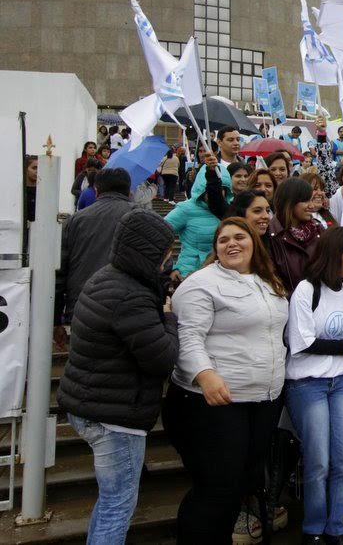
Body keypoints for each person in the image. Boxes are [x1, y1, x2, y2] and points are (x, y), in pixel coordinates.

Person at [56, 209, 179, 545]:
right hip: (114, 417)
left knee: (111, 499)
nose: (168, 259)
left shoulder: (108, 278)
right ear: (147, 253)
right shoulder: (130, 296)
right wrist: (168, 318)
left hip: (92, 403)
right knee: (118, 504)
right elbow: (163, 359)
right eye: (165, 253)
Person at [163, 217, 288, 543]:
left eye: (239, 237)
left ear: (253, 243)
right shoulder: (202, 283)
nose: (231, 244)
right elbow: (188, 337)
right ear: (215, 248)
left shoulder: (268, 280)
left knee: (240, 483)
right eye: (223, 240)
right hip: (214, 402)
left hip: (262, 400)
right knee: (217, 487)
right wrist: (205, 375)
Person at [285, 227, 343, 544]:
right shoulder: (306, 290)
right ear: (335, 255)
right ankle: (313, 528)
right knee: (318, 460)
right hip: (308, 384)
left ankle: (337, 526)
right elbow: (301, 342)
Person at [55, 168, 135, 334]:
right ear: (129, 191)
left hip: (83, 305)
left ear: (96, 190)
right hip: (129, 304)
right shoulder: (141, 216)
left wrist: (56, 320)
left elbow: (60, 270)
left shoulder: (75, 220)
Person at [164, 157, 233, 279]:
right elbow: (158, 235)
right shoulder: (186, 209)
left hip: (223, 276)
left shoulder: (230, 211)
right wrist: (172, 267)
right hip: (189, 275)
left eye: (223, 189)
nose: (218, 192)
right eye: (215, 187)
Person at [268, 177, 323, 292]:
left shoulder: (318, 229)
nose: (312, 206)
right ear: (289, 202)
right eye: (306, 201)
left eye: (311, 200)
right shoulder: (271, 236)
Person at [24, 155, 38, 222]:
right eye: (34, 168)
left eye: (39, 168)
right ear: (26, 169)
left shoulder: (42, 192)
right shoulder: (22, 192)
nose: (37, 171)